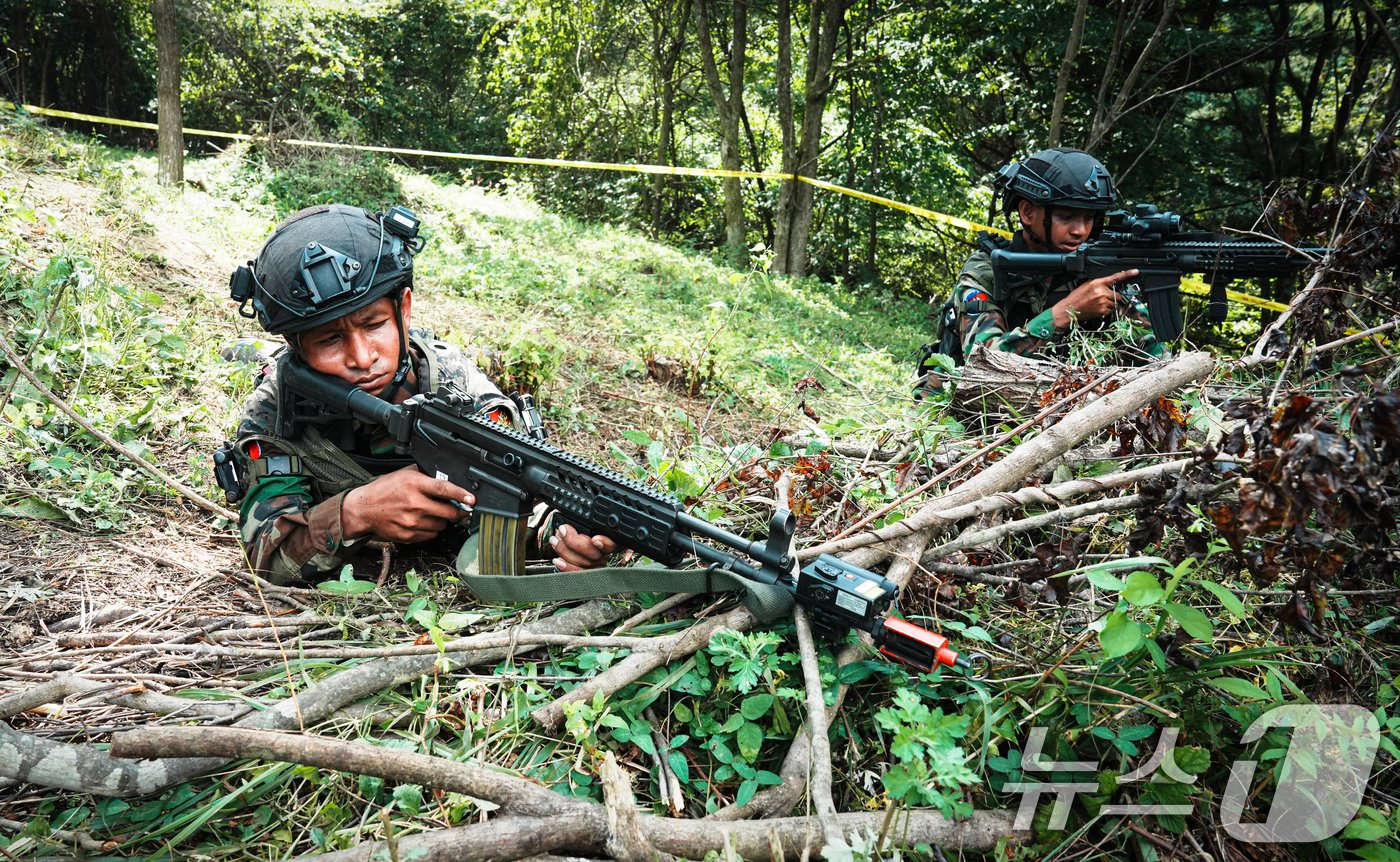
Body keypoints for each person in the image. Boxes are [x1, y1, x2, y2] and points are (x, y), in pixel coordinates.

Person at [219, 203, 617, 584]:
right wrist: (357, 512)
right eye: (329, 340)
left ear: (403, 309)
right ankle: (252, 352)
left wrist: (561, 535)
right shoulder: (277, 411)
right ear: (297, 345)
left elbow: (524, 497)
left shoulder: (459, 388)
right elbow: (267, 559)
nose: (362, 357)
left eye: (374, 324)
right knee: (259, 363)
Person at [941, 147, 1165, 364]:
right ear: (1027, 212)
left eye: (1089, 218)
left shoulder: (1096, 269)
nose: (1080, 230)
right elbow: (983, 362)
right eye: (1067, 217)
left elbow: (1156, 356)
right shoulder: (986, 271)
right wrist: (1066, 313)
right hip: (964, 397)